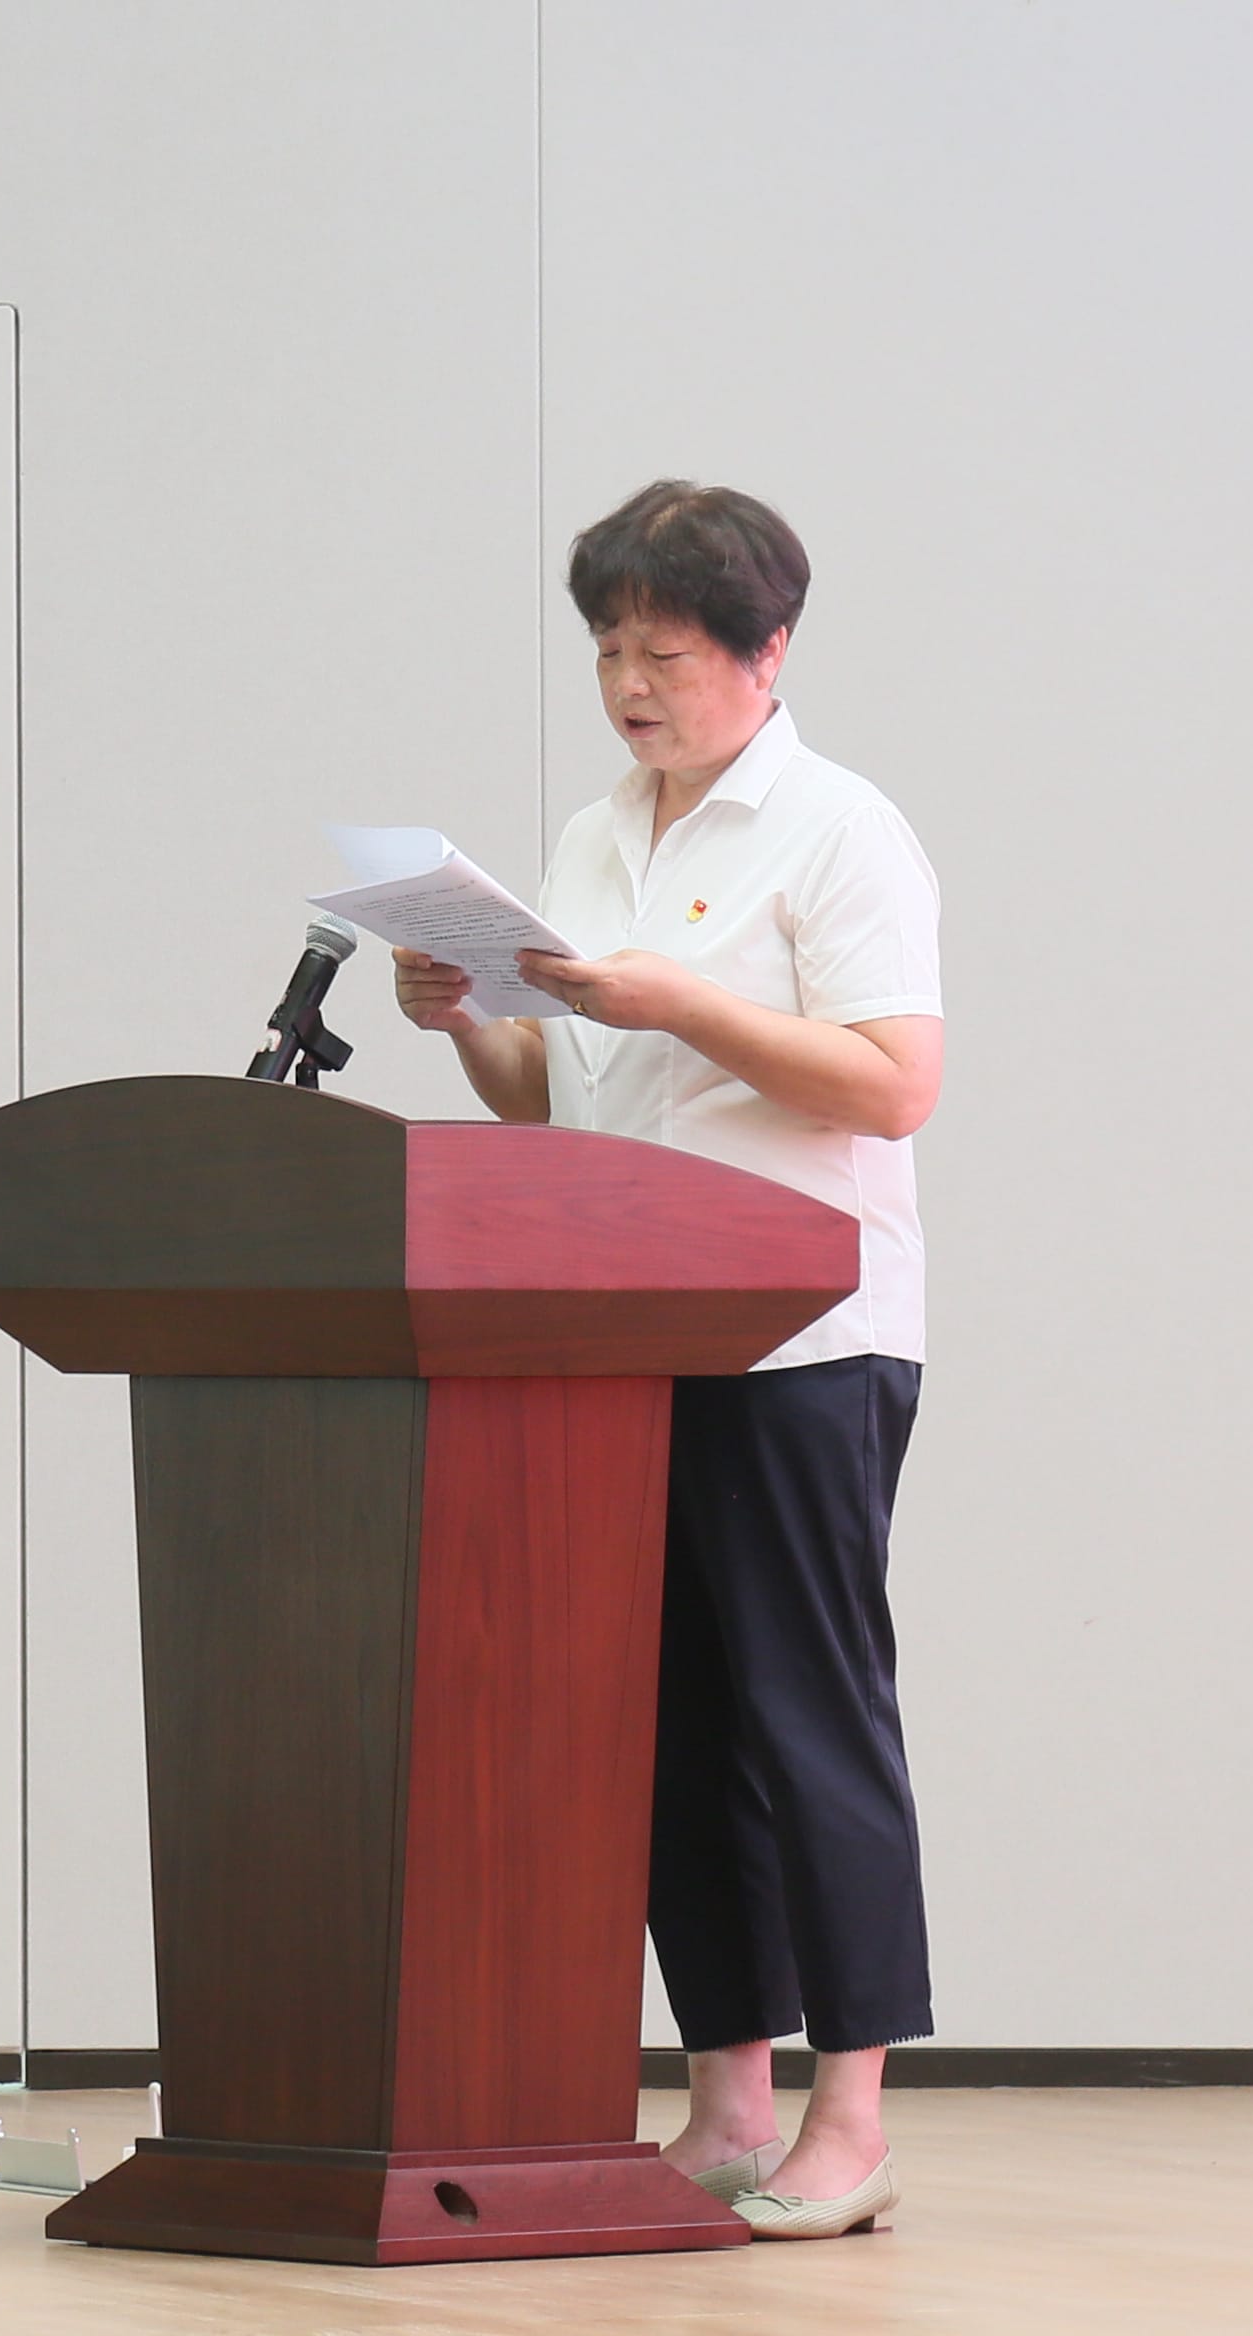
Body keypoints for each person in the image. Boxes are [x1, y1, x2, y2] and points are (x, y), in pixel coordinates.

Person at [391, 480, 942, 2242]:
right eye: (610, 652)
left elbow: (896, 1084)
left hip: (804, 1340)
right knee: (670, 1731)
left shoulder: (842, 831)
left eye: (669, 654)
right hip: (623, 1334)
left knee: (808, 1714)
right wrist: (470, 1019)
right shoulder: (591, 835)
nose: (632, 685)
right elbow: (562, 1096)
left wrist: (684, 1000)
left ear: (768, 653)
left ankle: (852, 2116)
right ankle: (727, 2104)